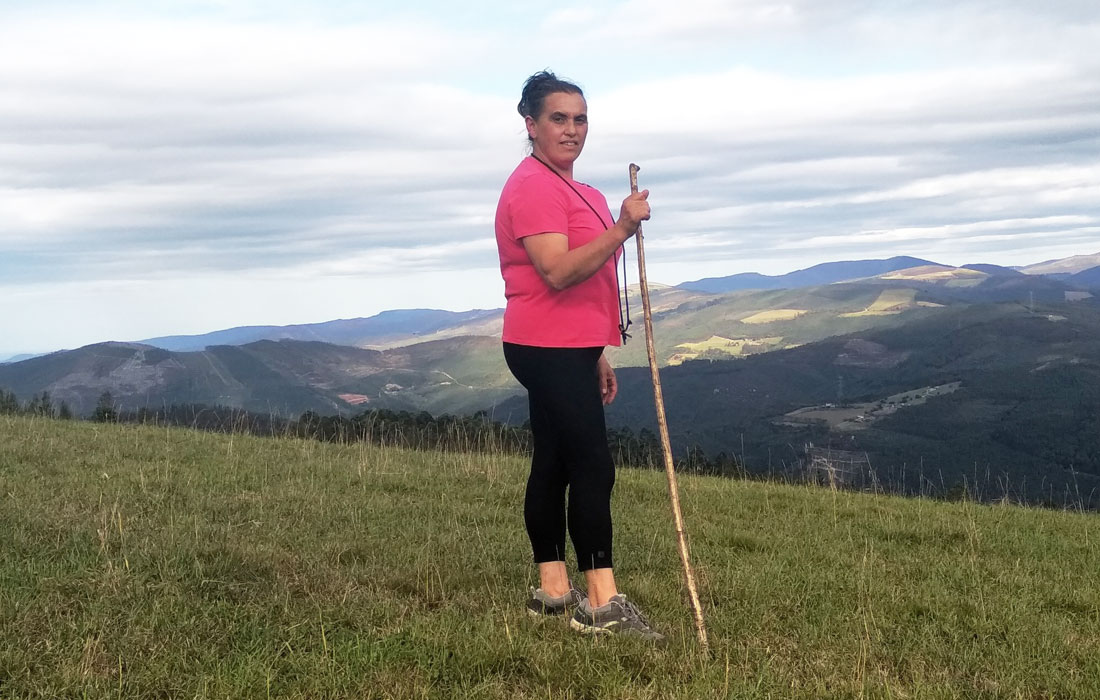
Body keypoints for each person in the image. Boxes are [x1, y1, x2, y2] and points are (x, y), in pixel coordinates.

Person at [495, 70, 663, 640]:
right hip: (544, 345)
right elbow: (558, 271)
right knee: (593, 464)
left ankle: (554, 589)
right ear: (531, 125)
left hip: (563, 346)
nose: (572, 129)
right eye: (558, 118)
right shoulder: (531, 187)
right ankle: (602, 605)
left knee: (557, 461)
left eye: (580, 118)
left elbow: (585, 280)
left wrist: (594, 353)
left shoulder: (580, 191)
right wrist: (621, 227)